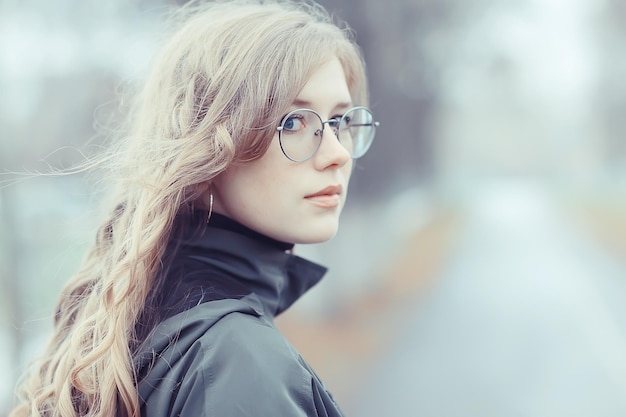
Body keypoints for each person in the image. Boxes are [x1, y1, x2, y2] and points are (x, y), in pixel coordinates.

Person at [10, 0, 378, 416]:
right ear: (207, 151)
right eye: (293, 122)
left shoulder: (148, 318)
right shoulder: (236, 362)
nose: (337, 155)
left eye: (340, 121)